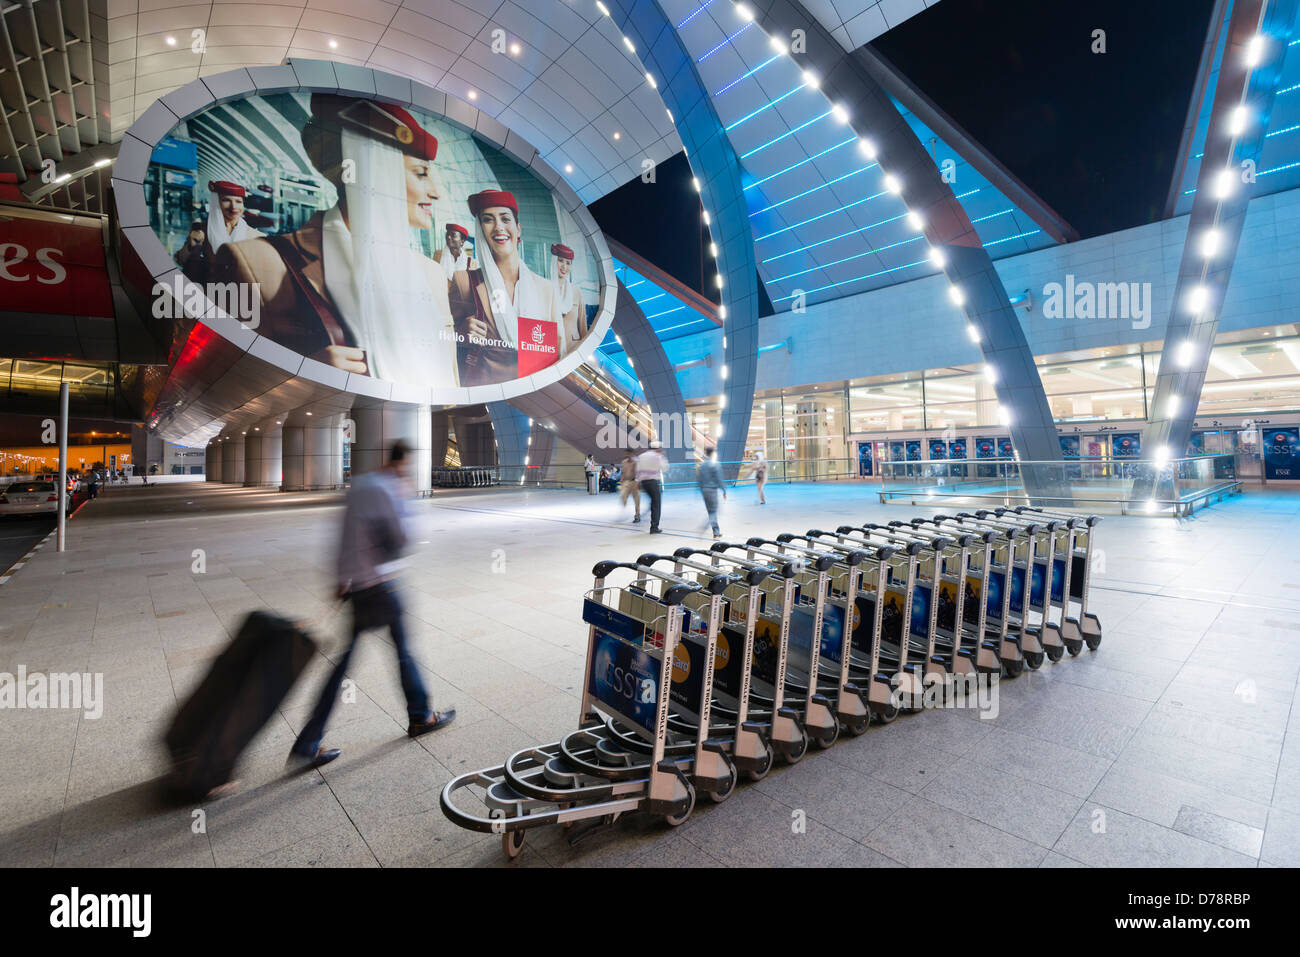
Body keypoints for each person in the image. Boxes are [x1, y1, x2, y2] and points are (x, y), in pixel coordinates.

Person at [213, 94, 458, 386]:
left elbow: (449, 383)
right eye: (421, 174)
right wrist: (304, 379)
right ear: (374, 171)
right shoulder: (257, 263)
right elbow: (220, 387)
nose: (435, 193)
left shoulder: (430, 275)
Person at [288, 440, 455, 770]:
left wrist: (341, 578)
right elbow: (402, 540)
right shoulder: (389, 490)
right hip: (382, 587)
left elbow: (342, 537)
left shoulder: (361, 485)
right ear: (402, 463)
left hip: (357, 587)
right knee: (404, 652)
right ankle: (421, 716)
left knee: (343, 666)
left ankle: (308, 742)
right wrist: (406, 501)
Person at [449, 189, 565, 386]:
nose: (498, 227)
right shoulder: (464, 281)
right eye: (488, 220)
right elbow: (445, 343)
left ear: (518, 229)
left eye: (505, 219)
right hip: (485, 395)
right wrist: (460, 333)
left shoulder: (545, 289)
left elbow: (558, 349)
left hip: (535, 393)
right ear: (481, 230)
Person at [174, 179, 263, 284]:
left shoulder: (255, 236)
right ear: (216, 203)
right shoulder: (202, 230)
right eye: (226, 200)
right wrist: (190, 245)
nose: (233, 206)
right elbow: (181, 260)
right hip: (209, 291)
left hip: (239, 293)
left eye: (238, 201)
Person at [550, 243, 586, 347]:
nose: (564, 266)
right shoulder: (546, 288)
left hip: (573, 347)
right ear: (553, 261)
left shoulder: (576, 292)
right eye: (560, 260)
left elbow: (582, 325)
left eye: (568, 263)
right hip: (552, 347)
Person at [635, 441, 670, 534]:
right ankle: (654, 527)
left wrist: (637, 482)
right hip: (653, 482)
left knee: (653, 502)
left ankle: (651, 516)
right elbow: (665, 468)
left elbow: (637, 471)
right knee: (656, 504)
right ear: (658, 448)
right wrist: (662, 456)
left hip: (643, 483)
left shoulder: (641, 456)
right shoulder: (657, 456)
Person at [697, 446, 726, 539]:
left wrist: (700, 490)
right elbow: (719, 479)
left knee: (710, 511)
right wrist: (724, 490)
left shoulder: (702, 465)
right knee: (714, 511)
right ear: (713, 453)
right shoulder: (716, 464)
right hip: (712, 490)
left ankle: (716, 532)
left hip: (704, 490)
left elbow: (699, 479)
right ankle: (705, 526)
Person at [619, 450, 641, 523]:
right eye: (627, 453)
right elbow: (623, 472)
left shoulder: (636, 461)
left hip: (635, 482)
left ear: (632, 453)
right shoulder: (624, 462)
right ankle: (625, 505)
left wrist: (638, 482)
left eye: (629, 453)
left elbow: (638, 472)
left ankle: (637, 516)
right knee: (622, 495)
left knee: (636, 500)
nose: (628, 455)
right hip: (627, 482)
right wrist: (621, 482)